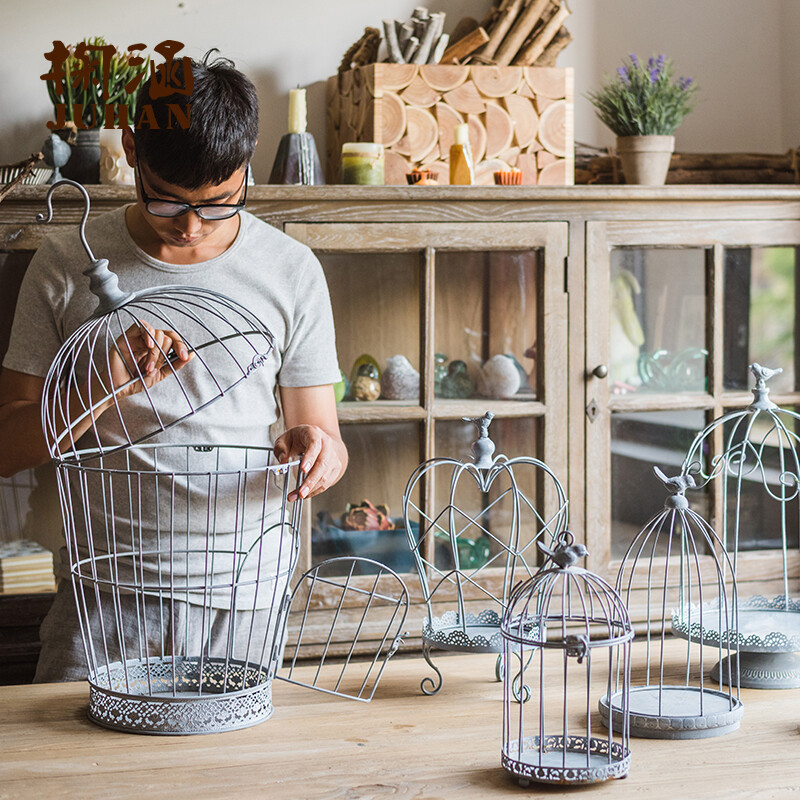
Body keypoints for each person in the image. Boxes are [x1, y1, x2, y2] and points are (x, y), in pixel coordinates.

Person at [0, 51, 347, 681]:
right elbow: (4, 447)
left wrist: (317, 450)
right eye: (166, 202)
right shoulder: (62, 263)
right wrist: (98, 384)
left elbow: (327, 441)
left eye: (219, 203)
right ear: (131, 149)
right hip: (102, 600)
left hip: (246, 601)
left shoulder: (291, 271)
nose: (190, 227)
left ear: (246, 162)